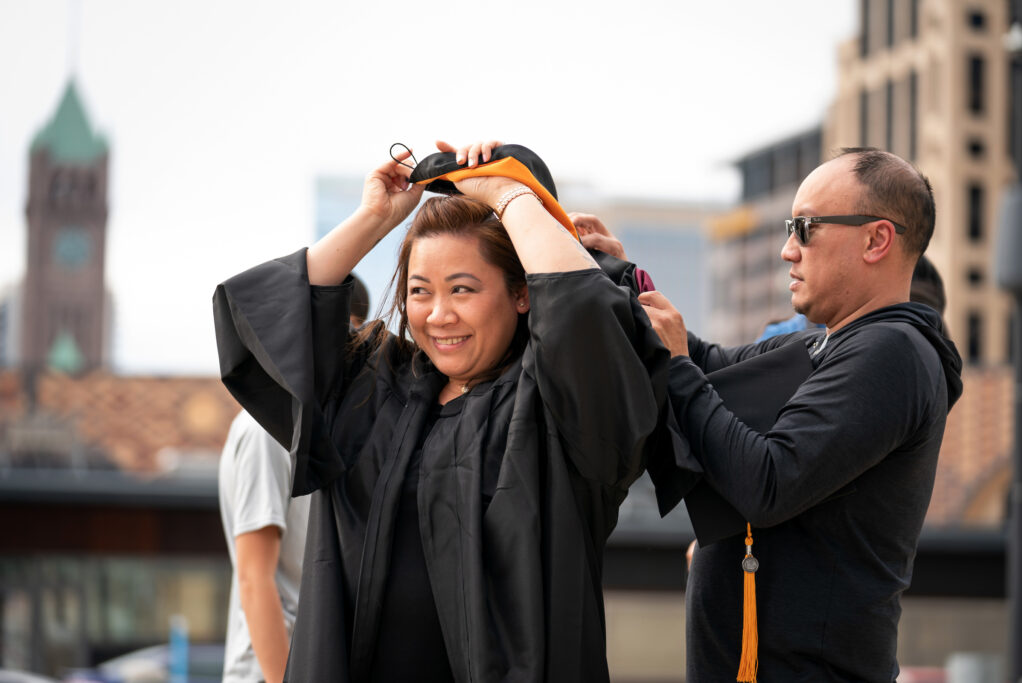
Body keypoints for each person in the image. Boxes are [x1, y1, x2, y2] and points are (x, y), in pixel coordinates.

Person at [212, 140, 676, 682]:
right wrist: (374, 218)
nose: (438, 315)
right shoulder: (373, 393)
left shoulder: (555, 409)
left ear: (523, 293)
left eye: (463, 289)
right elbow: (268, 320)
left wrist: (509, 193)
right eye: (419, 291)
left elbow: (583, 316)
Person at [634, 148, 963, 681]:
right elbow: (706, 364)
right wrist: (618, 276)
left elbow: (768, 483)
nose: (788, 250)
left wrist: (675, 367)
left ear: (876, 239)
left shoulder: (892, 352)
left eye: (804, 227)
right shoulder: (828, 344)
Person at [219, 277, 371, 683]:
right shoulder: (267, 430)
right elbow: (255, 579)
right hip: (270, 672)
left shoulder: (319, 426)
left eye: (353, 336)